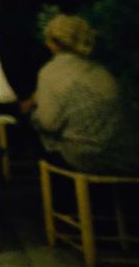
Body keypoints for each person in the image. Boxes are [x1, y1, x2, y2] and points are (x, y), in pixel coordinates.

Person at [31, 14, 138, 175]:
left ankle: (60, 191)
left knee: (36, 132)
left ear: (54, 43)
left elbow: (49, 123)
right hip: (126, 156)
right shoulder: (102, 71)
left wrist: (34, 113)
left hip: (88, 159)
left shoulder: (51, 72)